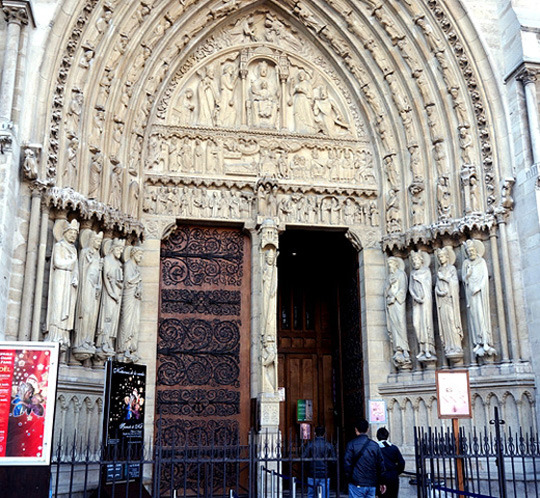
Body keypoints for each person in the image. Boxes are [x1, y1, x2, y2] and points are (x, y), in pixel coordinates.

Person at [344, 418, 386, 498]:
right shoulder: (375, 445)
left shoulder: (351, 444)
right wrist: (382, 481)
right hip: (371, 483)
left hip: (357, 482)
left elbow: (347, 464)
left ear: (356, 429)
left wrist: (350, 478)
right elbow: (380, 465)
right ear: (368, 429)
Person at [302, 426, 336, 498]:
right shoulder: (329, 445)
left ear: (314, 433)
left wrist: (307, 469)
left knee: (311, 495)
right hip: (325, 473)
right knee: (324, 495)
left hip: (312, 473)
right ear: (324, 434)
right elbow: (333, 460)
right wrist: (330, 470)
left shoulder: (310, 444)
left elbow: (304, 458)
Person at [376, 428, 405, 498]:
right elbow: (401, 462)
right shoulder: (394, 448)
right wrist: (396, 472)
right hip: (393, 476)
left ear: (377, 436)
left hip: (381, 477)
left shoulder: (375, 448)